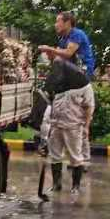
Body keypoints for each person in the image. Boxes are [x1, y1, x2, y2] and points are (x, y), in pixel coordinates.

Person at [39, 11, 96, 167]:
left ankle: (83, 159)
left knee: (80, 120)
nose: (55, 24)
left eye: (58, 21)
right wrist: (50, 53)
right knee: (72, 119)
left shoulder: (76, 34)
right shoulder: (63, 38)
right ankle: (76, 156)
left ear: (67, 22)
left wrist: (50, 49)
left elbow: (68, 53)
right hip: (70, 80)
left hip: (81, 76)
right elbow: (59, 56)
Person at [43, 59, 95, 193]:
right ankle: (56, 185)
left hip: (74, 126)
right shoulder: (58, 84)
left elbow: (89, 106)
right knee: (55, 155)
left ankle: (75, 186)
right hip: (56, 125)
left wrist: (86, 126)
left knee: (75, 157)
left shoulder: (84, 86)